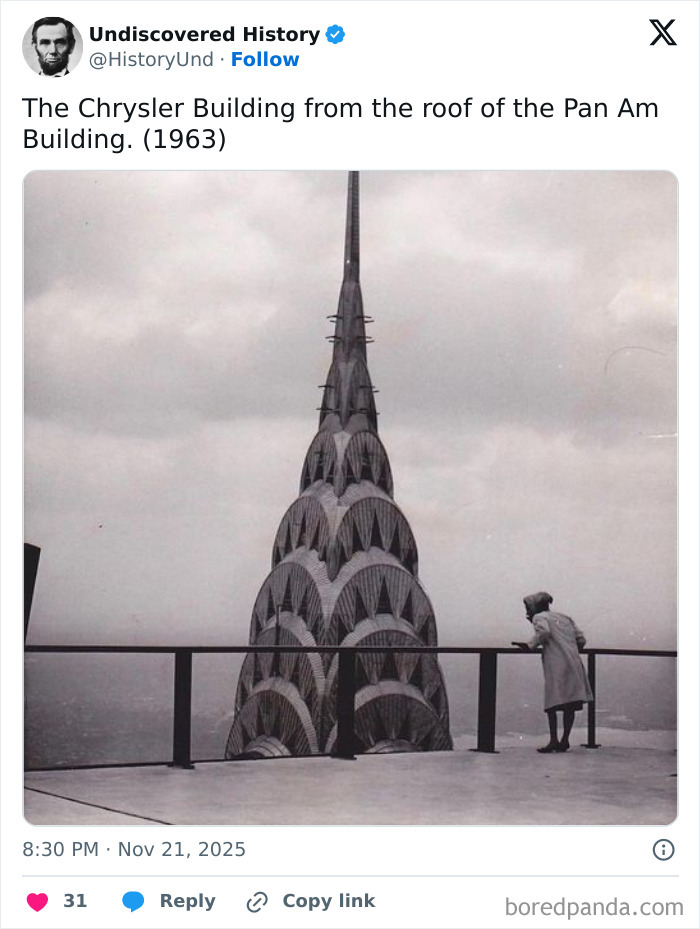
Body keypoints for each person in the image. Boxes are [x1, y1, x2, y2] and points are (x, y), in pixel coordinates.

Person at [513, 591, 593, 753]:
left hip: (556, 664)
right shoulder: (564, 617)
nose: (527, 612)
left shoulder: (539, 618)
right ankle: (565, 740)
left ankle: (553, 740)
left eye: (528, 608)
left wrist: (530, 645)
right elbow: (581, 640)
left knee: (552, 701)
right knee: (570, 701)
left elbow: (544, 633)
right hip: (573, 663)